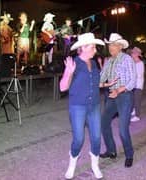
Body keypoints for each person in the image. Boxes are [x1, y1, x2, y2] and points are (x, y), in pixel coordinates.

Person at [59, 33, 108, 179]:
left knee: (96, 137)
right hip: (78, 106)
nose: (95, 50)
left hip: (94, 105)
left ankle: (95, 165)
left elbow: (94, 83)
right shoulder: (74, 63)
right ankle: (72, 162)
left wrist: (106, 84)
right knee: (79, 139)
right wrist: (68, 72)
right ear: (83, 48)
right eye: (93, 47)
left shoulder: (93, 63)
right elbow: (62, 87)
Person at [100, 33, 136, 168]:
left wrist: (118, 90)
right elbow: (101, 77)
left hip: (124, 96)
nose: (111, 47)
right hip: (111, 96)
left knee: (122, 129)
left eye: (114, 45)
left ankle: (129, 154)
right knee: (104, 122)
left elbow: (132, 81)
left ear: (120, 46)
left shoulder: (127, 59)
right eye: (110, 45)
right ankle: (111, 150)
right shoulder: (109, 61)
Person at [129, 47, 144, 122]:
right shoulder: (133, 62)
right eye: (132, 52)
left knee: (137, 100)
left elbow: (139, 75)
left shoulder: (140, 63)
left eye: (133, 53)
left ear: (137, 54)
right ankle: (134, 110)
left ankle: (137, 116)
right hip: (133, 84)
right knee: (132, 99)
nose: (132, 54)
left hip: (138, 85)